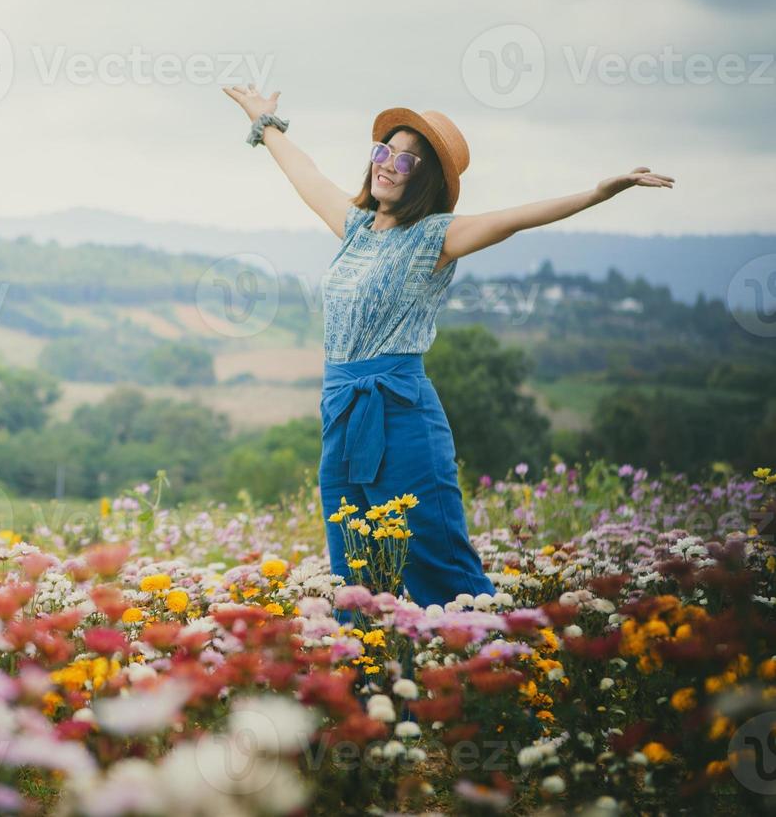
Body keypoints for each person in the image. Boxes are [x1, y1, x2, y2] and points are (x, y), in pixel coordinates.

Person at [222, 84, 675, 607]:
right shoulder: (354, 227)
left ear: (427, 179)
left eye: (407, 160)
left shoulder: (436, 235)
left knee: (436, 560)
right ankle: (374, 672)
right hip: (341, 412)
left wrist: (596, 193)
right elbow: (303, 170)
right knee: (356, 565)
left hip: (401, 412)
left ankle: (485, 661)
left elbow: (515, 218)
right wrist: (264, 120)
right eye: (383, 152)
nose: (389, 165)